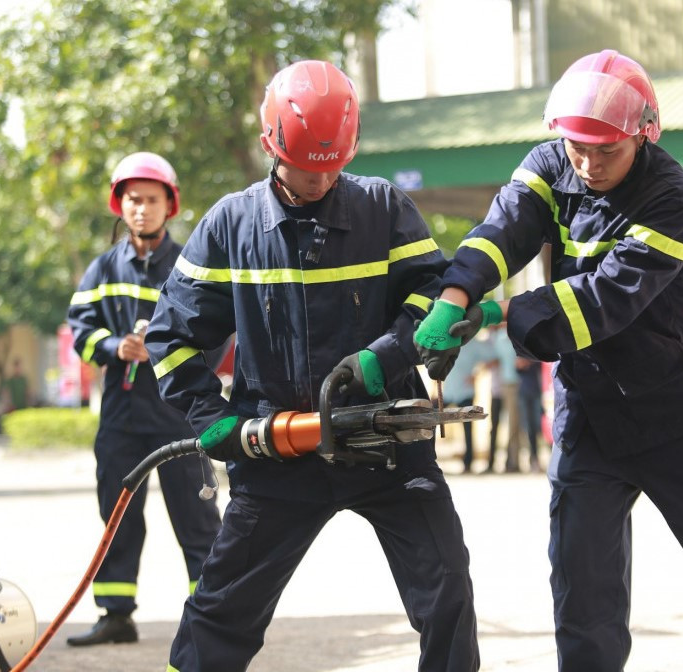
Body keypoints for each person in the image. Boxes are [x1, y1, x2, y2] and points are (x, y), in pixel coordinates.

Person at [414, 50, 683, 671]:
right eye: (578, 147)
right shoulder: (551, 166)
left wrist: (500, 315)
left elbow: (603, 303)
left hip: (679, 413)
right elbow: (503, 231)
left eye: (607, 151)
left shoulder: (672, 196)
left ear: (642, 136)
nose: (589, 163)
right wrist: (455, 294)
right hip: (590, 418)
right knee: (584, 592)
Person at [146, 60, 479, 671]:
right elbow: (172, 337)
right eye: (306, 168)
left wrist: (390, 355)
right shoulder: (230, 225)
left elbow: (436, 299)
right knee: (219, 611)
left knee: (447, 591)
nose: (322, 181)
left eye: (334, 167)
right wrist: (212, 420)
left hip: (386, 440)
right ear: (272, 145)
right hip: (279, 450)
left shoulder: (383, 208)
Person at [65, 151, 223, 647]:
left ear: (169, 205)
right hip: (121, 417)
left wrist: (168, 354)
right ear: (121, 205)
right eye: (133, 200)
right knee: (116, 518)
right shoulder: (103, 268)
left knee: (197, 520)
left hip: (180, 411)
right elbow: (80, 331)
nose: (141, 209)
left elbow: (219, 333)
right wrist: (114, 346)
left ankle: (214, 615)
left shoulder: (190, 264)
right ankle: (116, 615)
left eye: (151, 200)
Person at [442, 337, 492, 474]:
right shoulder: (447, 341)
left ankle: (468, 463)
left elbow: (493, 357)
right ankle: (428, 460)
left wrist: (477, 374)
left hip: (465, 391)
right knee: (431, 423)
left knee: (468, 429)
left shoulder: (474, 343)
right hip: (448, 391)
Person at [490, 326, 522, 473]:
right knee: (504, 425)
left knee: (514, 425)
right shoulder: (498, 339)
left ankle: (513, 462)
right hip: (504, 385)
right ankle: (503, 462)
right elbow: (492, 360)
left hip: (518, 385)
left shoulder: (519, 336)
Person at [514, 356, 543, 473]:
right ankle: (534, 459)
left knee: (540, 425)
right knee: (529, 428)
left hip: (540, 392)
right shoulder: (520, 349)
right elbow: (518, 366)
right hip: (525, 393)